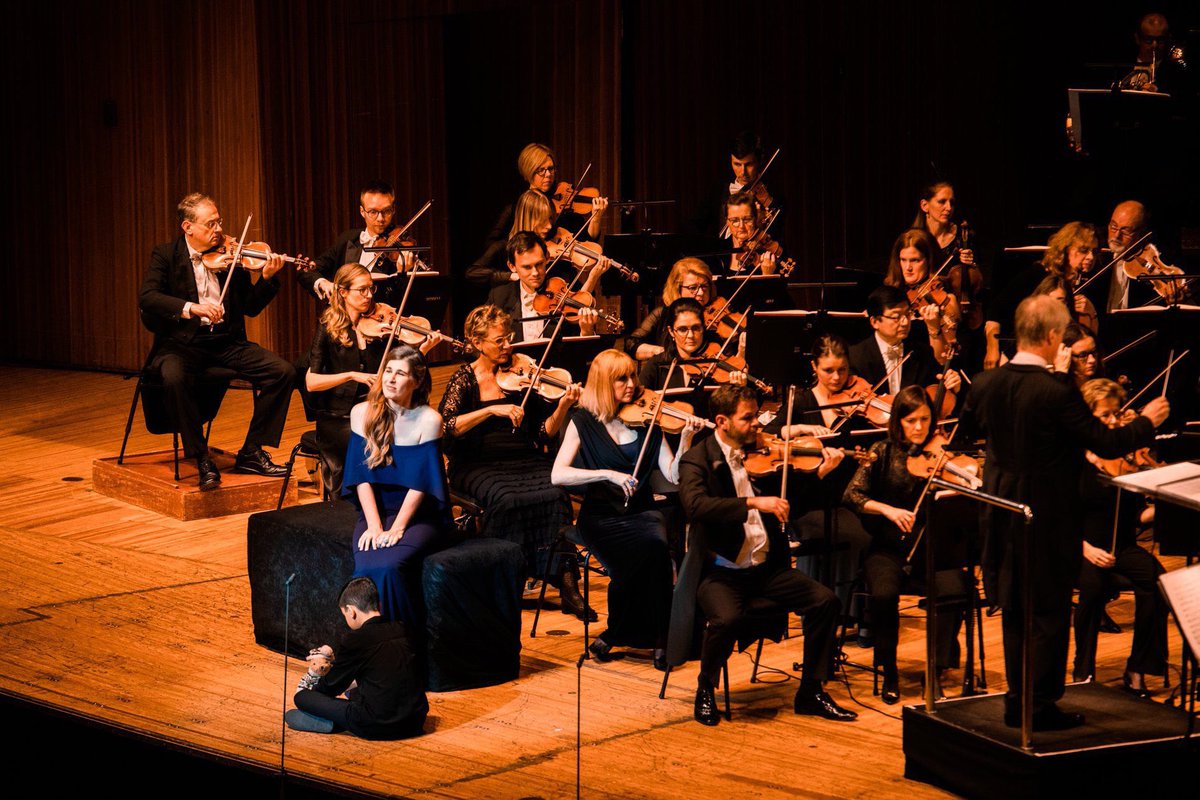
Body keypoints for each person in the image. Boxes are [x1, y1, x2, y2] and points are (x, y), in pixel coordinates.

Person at [961, 294, 1169, 731]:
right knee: (1049, 616)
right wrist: (1147, 421)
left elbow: (969, 433)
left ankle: (1018, 700)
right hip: (1047, 519)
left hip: (1002, 516)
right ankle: (1038, 706)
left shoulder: (984, 383)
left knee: (1016, 611)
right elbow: (1107, 442)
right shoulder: (1055, 392)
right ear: (1054, 335)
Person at [670, 384, 856, 725]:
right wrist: (753, 502)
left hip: (766, 569)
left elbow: (792, 503)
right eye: (748, 418)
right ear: (722, 421)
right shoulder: (697, 460)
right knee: (726, 619)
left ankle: (811, 691)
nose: (757, 424)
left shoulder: (763, 453)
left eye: (757, 415)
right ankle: (706, 687)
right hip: (721, 571)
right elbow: (696, 506)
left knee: (825, 601)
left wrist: (820, 475)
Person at [438, 304, 593, 620]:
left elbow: (542, 432)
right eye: (499, 341)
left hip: (524, 458)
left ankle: (567, 582)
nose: (508, 345)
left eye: (509, 338)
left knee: (556, 493)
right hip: (476, 464)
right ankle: (505, 580)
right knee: (507, 499)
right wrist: (489, 410)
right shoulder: (464, 379)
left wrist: (563, 406)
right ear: (477, 342)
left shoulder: (524, 375)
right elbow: (446, 426)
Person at [552, 349, 701, 667]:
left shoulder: (649, 420)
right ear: (603, 383)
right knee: (639, 560)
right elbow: (558, 474)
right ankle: (627, 633)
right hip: (600, 517)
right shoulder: (583, 421)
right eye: (622, 379)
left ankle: (649, 637)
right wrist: (607, 474)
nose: (632, 384)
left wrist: (686, 439)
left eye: (633, 375)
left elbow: (673, 475)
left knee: (656, 549)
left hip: (642, 512)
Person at [138, 192, 295, 491]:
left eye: (219, 222)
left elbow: (250, 307)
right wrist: (192, 308)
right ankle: (201, 457)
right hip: (183, 344)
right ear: (188, 227)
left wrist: (267, 278)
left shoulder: (231, 256)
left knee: (283, 372)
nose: (219, 230)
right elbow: (148, 297)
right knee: (173, 376)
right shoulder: (166, 255)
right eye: (210, 224)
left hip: (227, 343)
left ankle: (252, 451)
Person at [842, 385, 971, 704]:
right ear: (898, 421)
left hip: (933, 548)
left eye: (925, 420)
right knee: (884, 595)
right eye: (911, 420)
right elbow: (852, 495)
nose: (919, 427)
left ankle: (935, 670)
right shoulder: (882, 451)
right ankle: (889, 670)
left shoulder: (941, 455)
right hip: (888, 549)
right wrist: (887, 509)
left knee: (954, 590)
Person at [342, 346, 450, 628]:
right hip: (376, 510)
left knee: (389, 566)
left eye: (400, 373)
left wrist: (397, 528)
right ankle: (372, 642)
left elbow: (421, 484)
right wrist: (374, 526)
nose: (390, 379)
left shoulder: (429, 420)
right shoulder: (361, 413)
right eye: (388, 371)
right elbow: (361, 476)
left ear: (417, 381)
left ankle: (403, 636)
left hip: (418, 515)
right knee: (366, 566)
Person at [1073, 378, 1169, 694]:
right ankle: (1083, 672)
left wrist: (1165, 506)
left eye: (1116, 414)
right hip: (1080, 547)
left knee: (1158, 581)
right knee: (1093, 587)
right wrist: (1086, 549)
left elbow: (1137, 516)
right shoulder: (1071, 460)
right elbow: (1059, 516)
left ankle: (1138, 668)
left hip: (1122, 546)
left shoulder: (1124, 459)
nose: (1114, 421)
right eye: (1105, 415)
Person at [286, 577, 428, 740]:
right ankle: (341, 719)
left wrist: (315, 699)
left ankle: (337, 721)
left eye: (344, 614)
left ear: (351, 611)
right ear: (379, 605)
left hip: (378, 725)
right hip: (416, 721)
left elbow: (331, 687)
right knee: (357, 691)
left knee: (302, 697)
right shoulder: (402, 628)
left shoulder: (356, 640)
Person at [304, 264, 386, 496]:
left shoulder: (378, 329)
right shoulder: (327, 328)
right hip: (338, 418)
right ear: (343, 292)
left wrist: (423, 349)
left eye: (371, 289)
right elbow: (312, 382)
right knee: (365, 446)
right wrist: (351, 375)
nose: (369, 296)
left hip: (371, 411)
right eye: (362, 290)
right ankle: (351, 505)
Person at [299, 181, 413, 303]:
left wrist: (402, 276)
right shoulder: (347, 239)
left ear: (393, 210)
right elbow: (309, 271)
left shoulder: (402, 247)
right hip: (345, 314)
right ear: (362, 211)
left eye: (386, 211)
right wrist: (323, 283)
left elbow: (411, 299)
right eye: (373, 212)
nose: (380, 218)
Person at [485, 231, 602, 343]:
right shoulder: (499, 297)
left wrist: (586, 331)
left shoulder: (567, 288)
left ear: (547, 258)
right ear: (512, 267)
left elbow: (578, 351)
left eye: (539, 264)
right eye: (527, 267)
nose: (535, 273)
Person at [485, 143, 608, 249]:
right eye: (541, 170)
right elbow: (492, 243)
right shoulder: (516, 208)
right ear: (529, 171)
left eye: (551, 169)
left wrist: (596, 218)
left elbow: (587, 242)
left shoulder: (566, 208)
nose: (548, 174)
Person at [849, 285, 958, 398]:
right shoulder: (855, 357)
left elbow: (938, 389)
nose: (905, 322)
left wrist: (952, 385)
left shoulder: (922, 353)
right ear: (875, 322)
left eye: (907, 314)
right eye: (896, 317)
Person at [883, 228, 962, 357]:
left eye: (915, 260)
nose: (908, 268)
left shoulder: (945, 299)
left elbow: (945, 357)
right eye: (903, 260)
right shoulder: (893, 292)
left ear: (929, 260)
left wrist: (934, 328)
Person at [626, 258, 714, 360]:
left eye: (704, 286)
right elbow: (631, 343)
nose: (701, 293)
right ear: (677, 288)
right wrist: (661, 352)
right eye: (693, 288)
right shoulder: (662, 314)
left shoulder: (717, 313)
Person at [723, 191, 783, 275]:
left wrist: (767, 275)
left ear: (755, 219)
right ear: (727, 222)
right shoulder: (719, 251)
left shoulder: (766, 252)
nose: (741, 226)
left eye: (747, 219)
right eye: (735, 220)